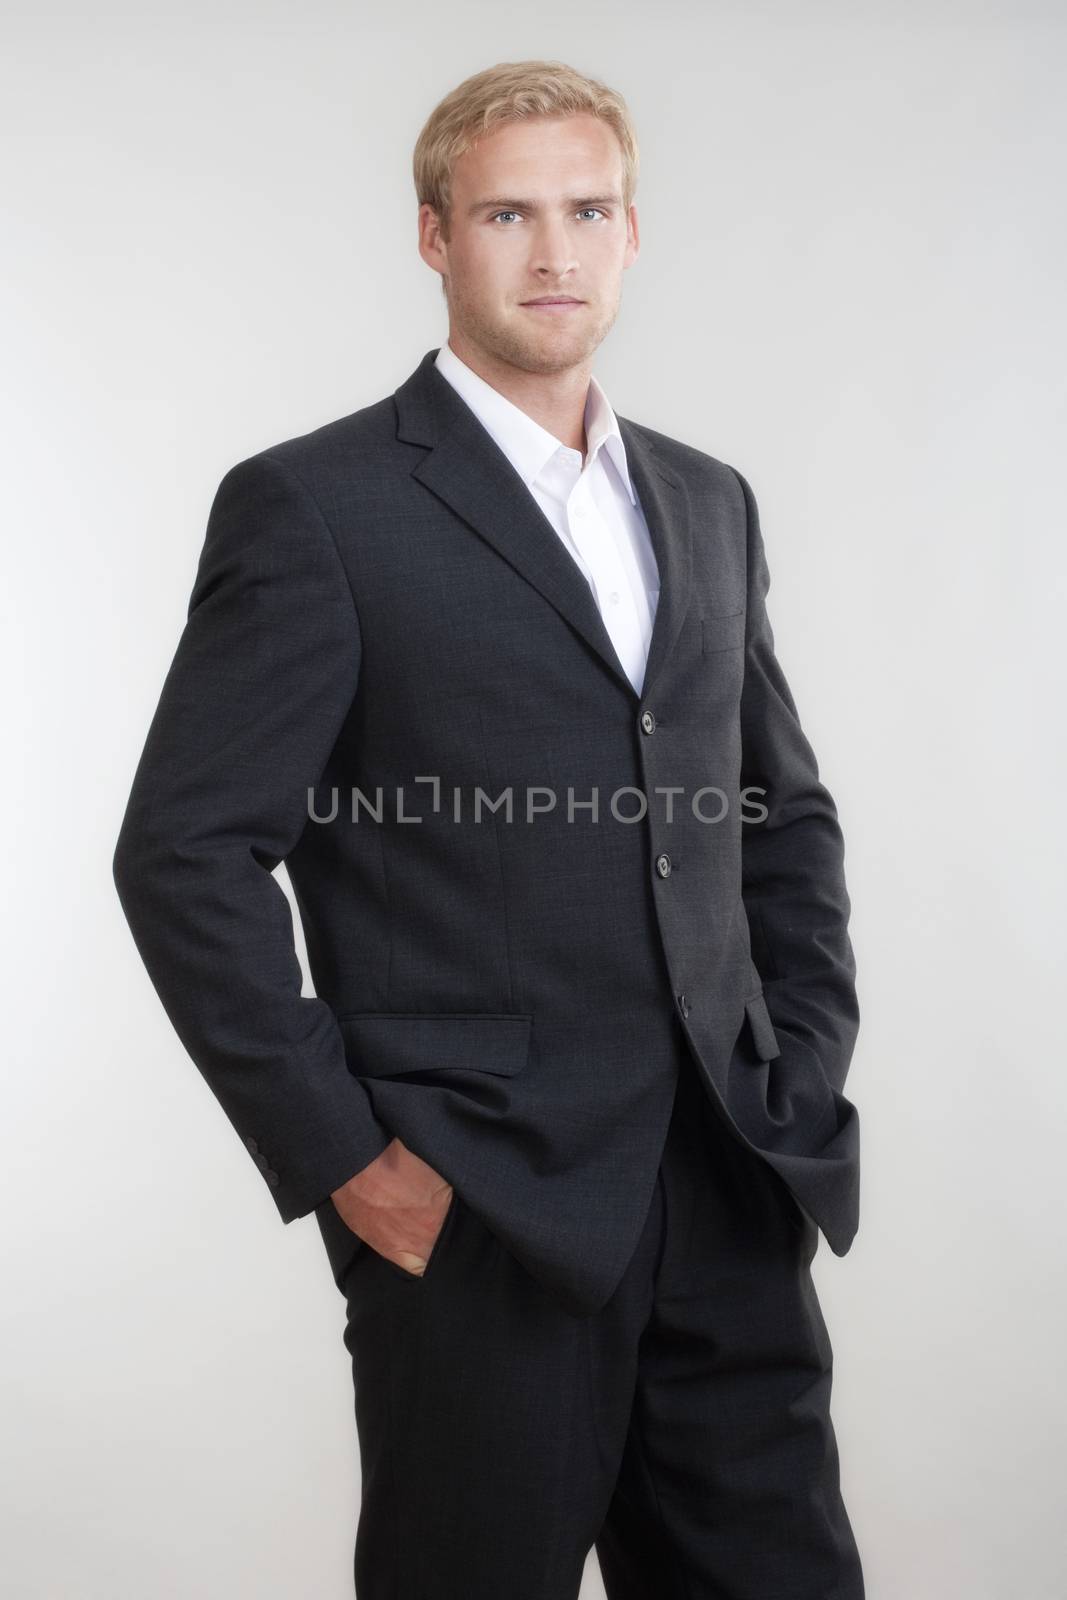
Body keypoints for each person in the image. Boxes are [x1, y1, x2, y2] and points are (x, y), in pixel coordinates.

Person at [113, 57, 866, 1600]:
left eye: (588, 210)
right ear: (433, 236)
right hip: (478, 1215)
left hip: (725, 1188)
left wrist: (795, 1067)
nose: (554, 252)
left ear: (634, 232)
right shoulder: (317, 507)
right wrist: (348, 1161)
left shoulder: (707, 501)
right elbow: (184, 852)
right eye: (508, 212)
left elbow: (777, 812)